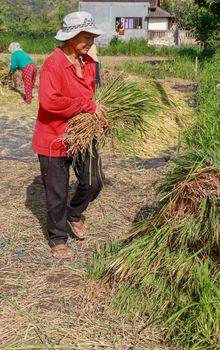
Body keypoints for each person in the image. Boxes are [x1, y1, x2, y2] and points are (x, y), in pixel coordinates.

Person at [32, 11, 107, 259]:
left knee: (93, 181)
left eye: (93, 38)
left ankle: (74, 213)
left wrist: (100, 113)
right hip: (54, 138)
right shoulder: (53, 63)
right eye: (87, 37)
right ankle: (57, 237)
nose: (91, 43)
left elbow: (92, 96)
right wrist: (88, 107)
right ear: (72, 37)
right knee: (57, 193)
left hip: (82, 136)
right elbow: (50, 102)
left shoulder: (88, 63)